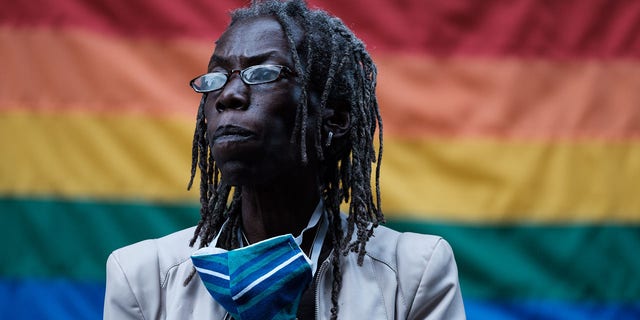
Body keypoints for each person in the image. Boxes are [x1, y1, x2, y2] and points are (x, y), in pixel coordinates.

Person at [103, 0, 465, 319]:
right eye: (216, 77)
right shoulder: (143, 277)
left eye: (263, 73)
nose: (228, 94)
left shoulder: (414, 272)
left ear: (333, 118)